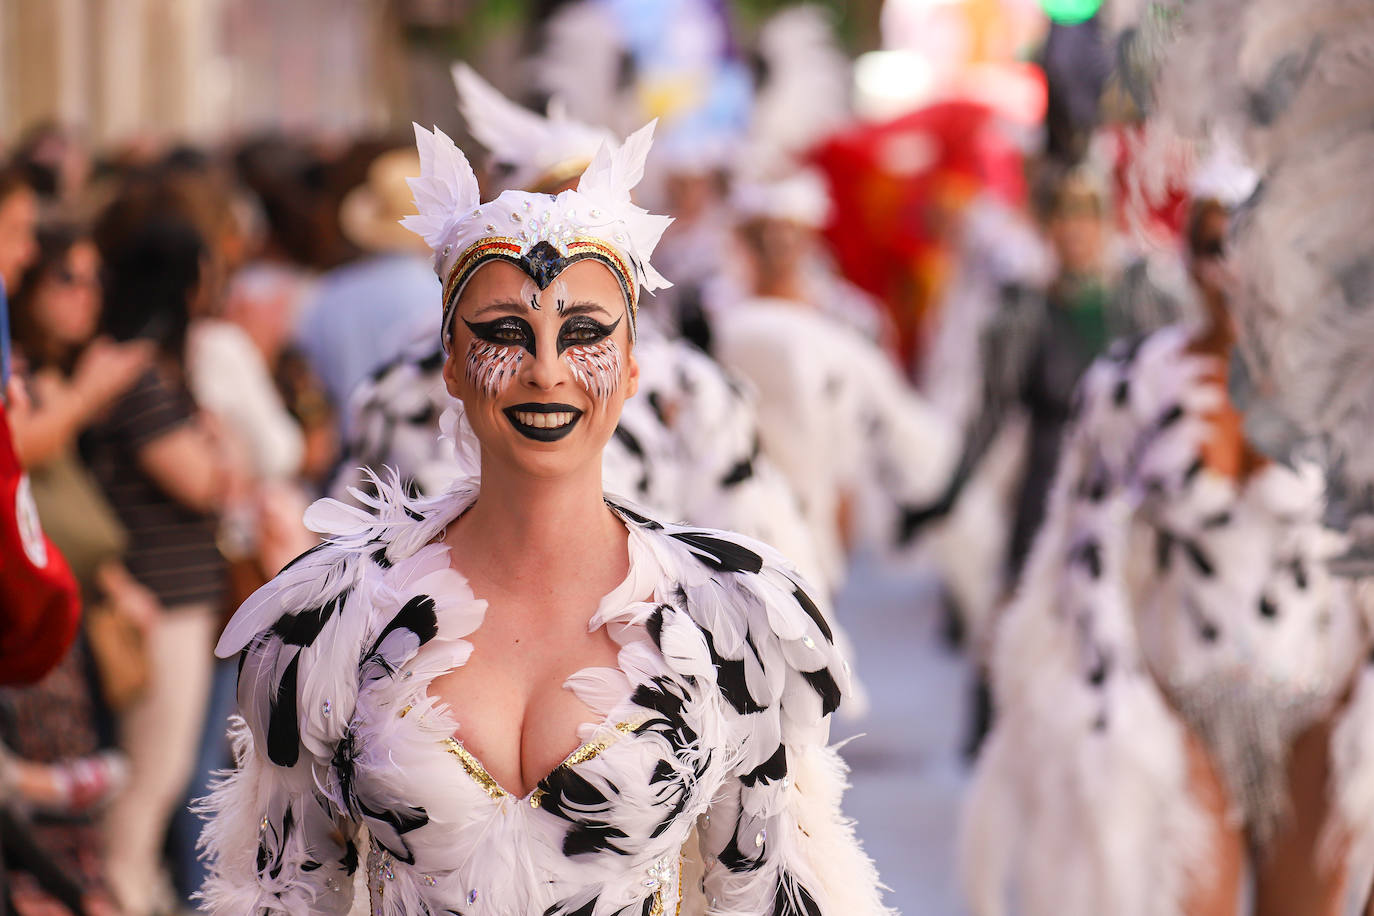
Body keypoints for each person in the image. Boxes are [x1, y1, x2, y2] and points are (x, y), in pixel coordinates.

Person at [200, 120, 890, 915]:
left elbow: (771, 895)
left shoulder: (729, 617)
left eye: (586, 334)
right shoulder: (332, 621)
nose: (547, 372)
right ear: (450, 363)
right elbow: (278, 895)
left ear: (633, 365)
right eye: (503, 334)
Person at [82, 183, 239, 916]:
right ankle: (121, 895)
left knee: (164, 773)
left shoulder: (141, 371)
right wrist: (219, 444)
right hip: (158, 603)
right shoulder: (139, 377)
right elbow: (206, 481)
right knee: (153, 777)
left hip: (175, 598)